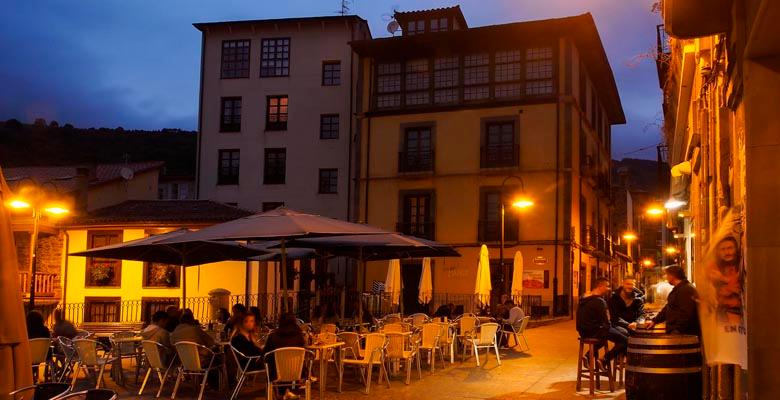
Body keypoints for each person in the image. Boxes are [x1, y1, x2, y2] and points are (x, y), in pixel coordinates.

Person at [576, 277, 628, 368]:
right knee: (625, 340)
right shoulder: (599, 301)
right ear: (600, 286)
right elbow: (606, 322)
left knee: (607, 334)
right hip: (595, 331)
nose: (609, 289)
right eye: (607, 286)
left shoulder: (584, 298)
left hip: (583, 332)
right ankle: (604, 360)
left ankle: (588, 356)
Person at [646, 265, 700, 335]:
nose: (665, 277)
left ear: (672, 276)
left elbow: (686, 313)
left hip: (684, 335)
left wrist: (677, 330)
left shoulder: (686, 290)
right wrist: (655, 321)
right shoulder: (679, 289)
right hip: (677, 332)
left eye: (666, 275)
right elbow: (669, 307)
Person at [263, 313, 306, 383]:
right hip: (297, 372)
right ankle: (289, 389)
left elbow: (265, 354)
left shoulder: (273, 336)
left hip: (276, 373)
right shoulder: (299, 336)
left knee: (270, 360)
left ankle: (280, 390)